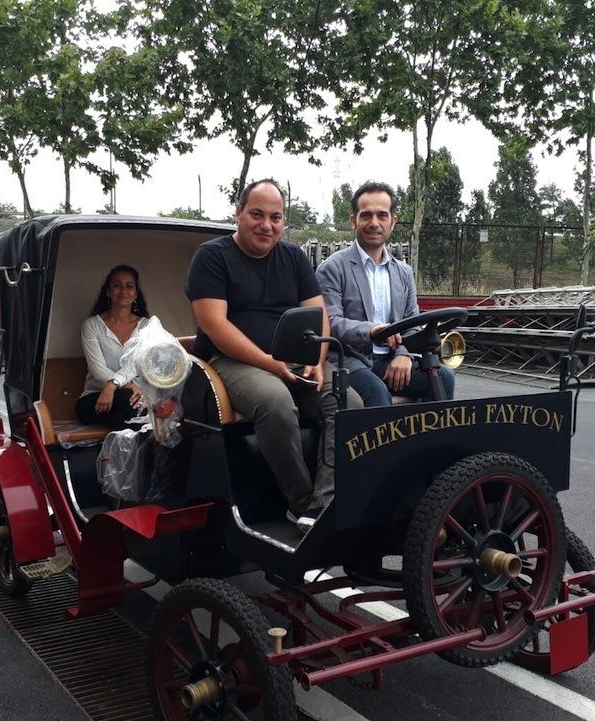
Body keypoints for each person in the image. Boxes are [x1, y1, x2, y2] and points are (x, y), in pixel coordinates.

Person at [186, 178, 361, 530]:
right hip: (230, 361)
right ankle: (301, 502)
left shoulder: (294, 258)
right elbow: (214, 325)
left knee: (349, 404)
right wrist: (270, 363)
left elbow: (318, 313)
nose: (266, 225)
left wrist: (317, 360)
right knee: (276, 402)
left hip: (295, 360)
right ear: (238, 213)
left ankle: (324, 505)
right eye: (257, 214)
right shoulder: (211, 257)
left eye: (275, 217)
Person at [316, 181, 456, 407]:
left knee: (443, 377)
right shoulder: (333, 268)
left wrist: (403, 354)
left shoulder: (404, 272)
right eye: (366, 215)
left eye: (382, 215)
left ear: (393, 221)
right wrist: (372, 330)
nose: (374, 223)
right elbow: (330, 322)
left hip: (391, 358)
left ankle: (426, 432)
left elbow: (411, 324)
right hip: (350, 361)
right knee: (376, 392)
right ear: (353, 221)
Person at [76, 264, 150, 429]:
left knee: (127, 411)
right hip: (97, 397)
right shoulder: (91, 325)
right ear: (108, 291)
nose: (123, 290)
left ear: (136, 293)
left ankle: (116, 441)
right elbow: (98, 370)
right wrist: (120, 385)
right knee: (131, 402)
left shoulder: (147, 327)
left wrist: (115, 385)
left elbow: (138, 364)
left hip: (136, 397)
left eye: (129, 286)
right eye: (117, 285)